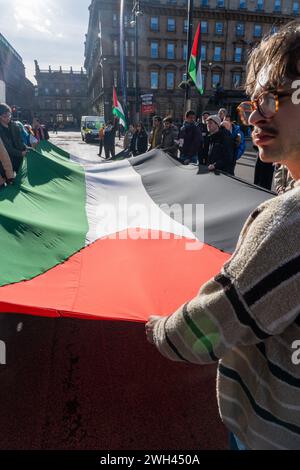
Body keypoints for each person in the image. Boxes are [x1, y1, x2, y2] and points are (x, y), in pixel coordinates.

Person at [145, 19, 300, 450]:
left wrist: (158, 328)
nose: (254, 114)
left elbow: (206, 329)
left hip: (270, 434)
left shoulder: (288, 224)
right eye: (251, 102)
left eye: (272, 97)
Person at [0, 103, 27, 172]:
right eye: (5, 116)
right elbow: (6, 148)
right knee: (9, 181)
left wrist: (26, 148)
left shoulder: (15, 126)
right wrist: (21, 153)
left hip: (19, 159)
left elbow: (20, 142)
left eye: (9, 115)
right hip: (6, 161)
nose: (8, 118)